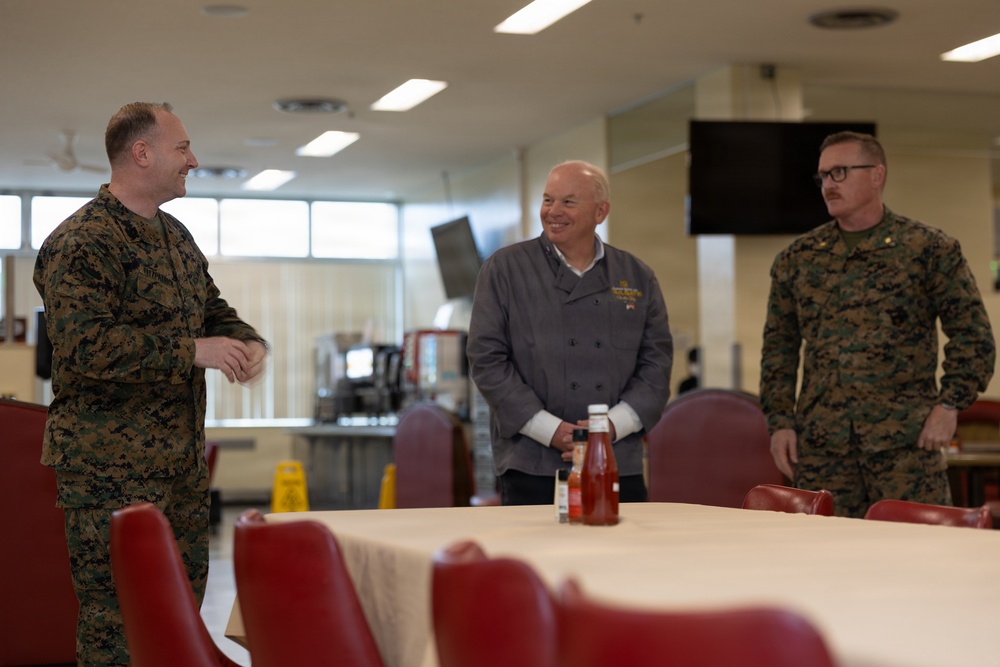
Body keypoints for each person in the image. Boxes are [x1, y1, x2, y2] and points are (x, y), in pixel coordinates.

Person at [33, 101, 269, 666]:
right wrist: (194, 351)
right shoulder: (81, 242)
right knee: (118, 626)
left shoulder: (176, 238)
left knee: (178, 618)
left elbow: (213, 312)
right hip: (107, 475)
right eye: (182, 147)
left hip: (179, 470)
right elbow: (86, 347)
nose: (194, 160)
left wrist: (246, 341)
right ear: (142, 153)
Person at [759, 131, 994, 518]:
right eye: (823, 176)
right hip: (822, 449)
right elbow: (778, 350)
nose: (829, 186)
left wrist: (950, 405)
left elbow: (974, 336)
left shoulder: (929, 250)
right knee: (822, 564)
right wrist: (779, 422)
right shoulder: (797, 259)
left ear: (877, 175)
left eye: (840, 172)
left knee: (919, 559)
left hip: (906, 447)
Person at [467, 160, 673, 505]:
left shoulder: (637, 276)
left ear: (601, 212)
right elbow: (487, 361)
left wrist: (607, 428)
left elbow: (657, 364)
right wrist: (552, 431)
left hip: (616, 461)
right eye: (548, 200)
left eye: (568, 202)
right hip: (532, 464)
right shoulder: (504, 269)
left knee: (626, 556)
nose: (553, 212)